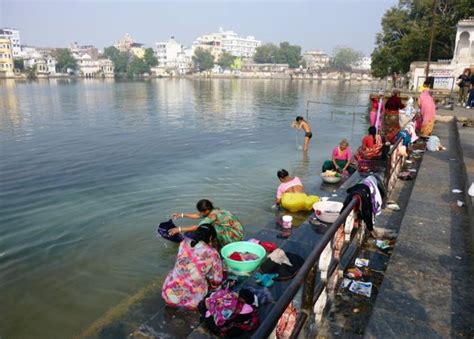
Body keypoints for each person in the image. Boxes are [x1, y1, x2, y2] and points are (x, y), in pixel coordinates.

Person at [162, 224, 223, 310]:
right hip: (193, 301)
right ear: (210, 238)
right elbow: (217, 280)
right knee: (216, 285)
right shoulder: (212, 253)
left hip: (169, 295)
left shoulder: (183, 243)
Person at [170, 199, 244, 249]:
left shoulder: (213, 214)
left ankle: (219, 245)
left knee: (208, 229)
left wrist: (179, 229)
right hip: (234, 228)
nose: (200, 213)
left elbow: (199, 227)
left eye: (201, 211)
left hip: (237, 233)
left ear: (206, 210)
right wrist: (182, 215)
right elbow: (198, 215)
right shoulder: (213, 210)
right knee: (210, 227)